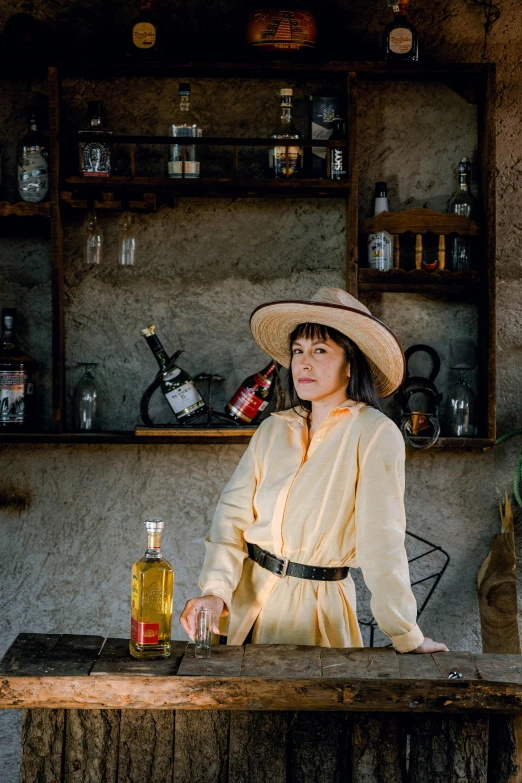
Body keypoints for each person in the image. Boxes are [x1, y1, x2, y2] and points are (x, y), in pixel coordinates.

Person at [180, 287, 449, 654]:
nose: (303, 364)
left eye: (320, 351)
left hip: (316, 613)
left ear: (351, 363)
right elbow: (231, 518)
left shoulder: (374, 433)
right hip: (246, 605)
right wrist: (215, 592)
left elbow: (382, 542)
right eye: (298, 351)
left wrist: (405, 634)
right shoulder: (273, 429)